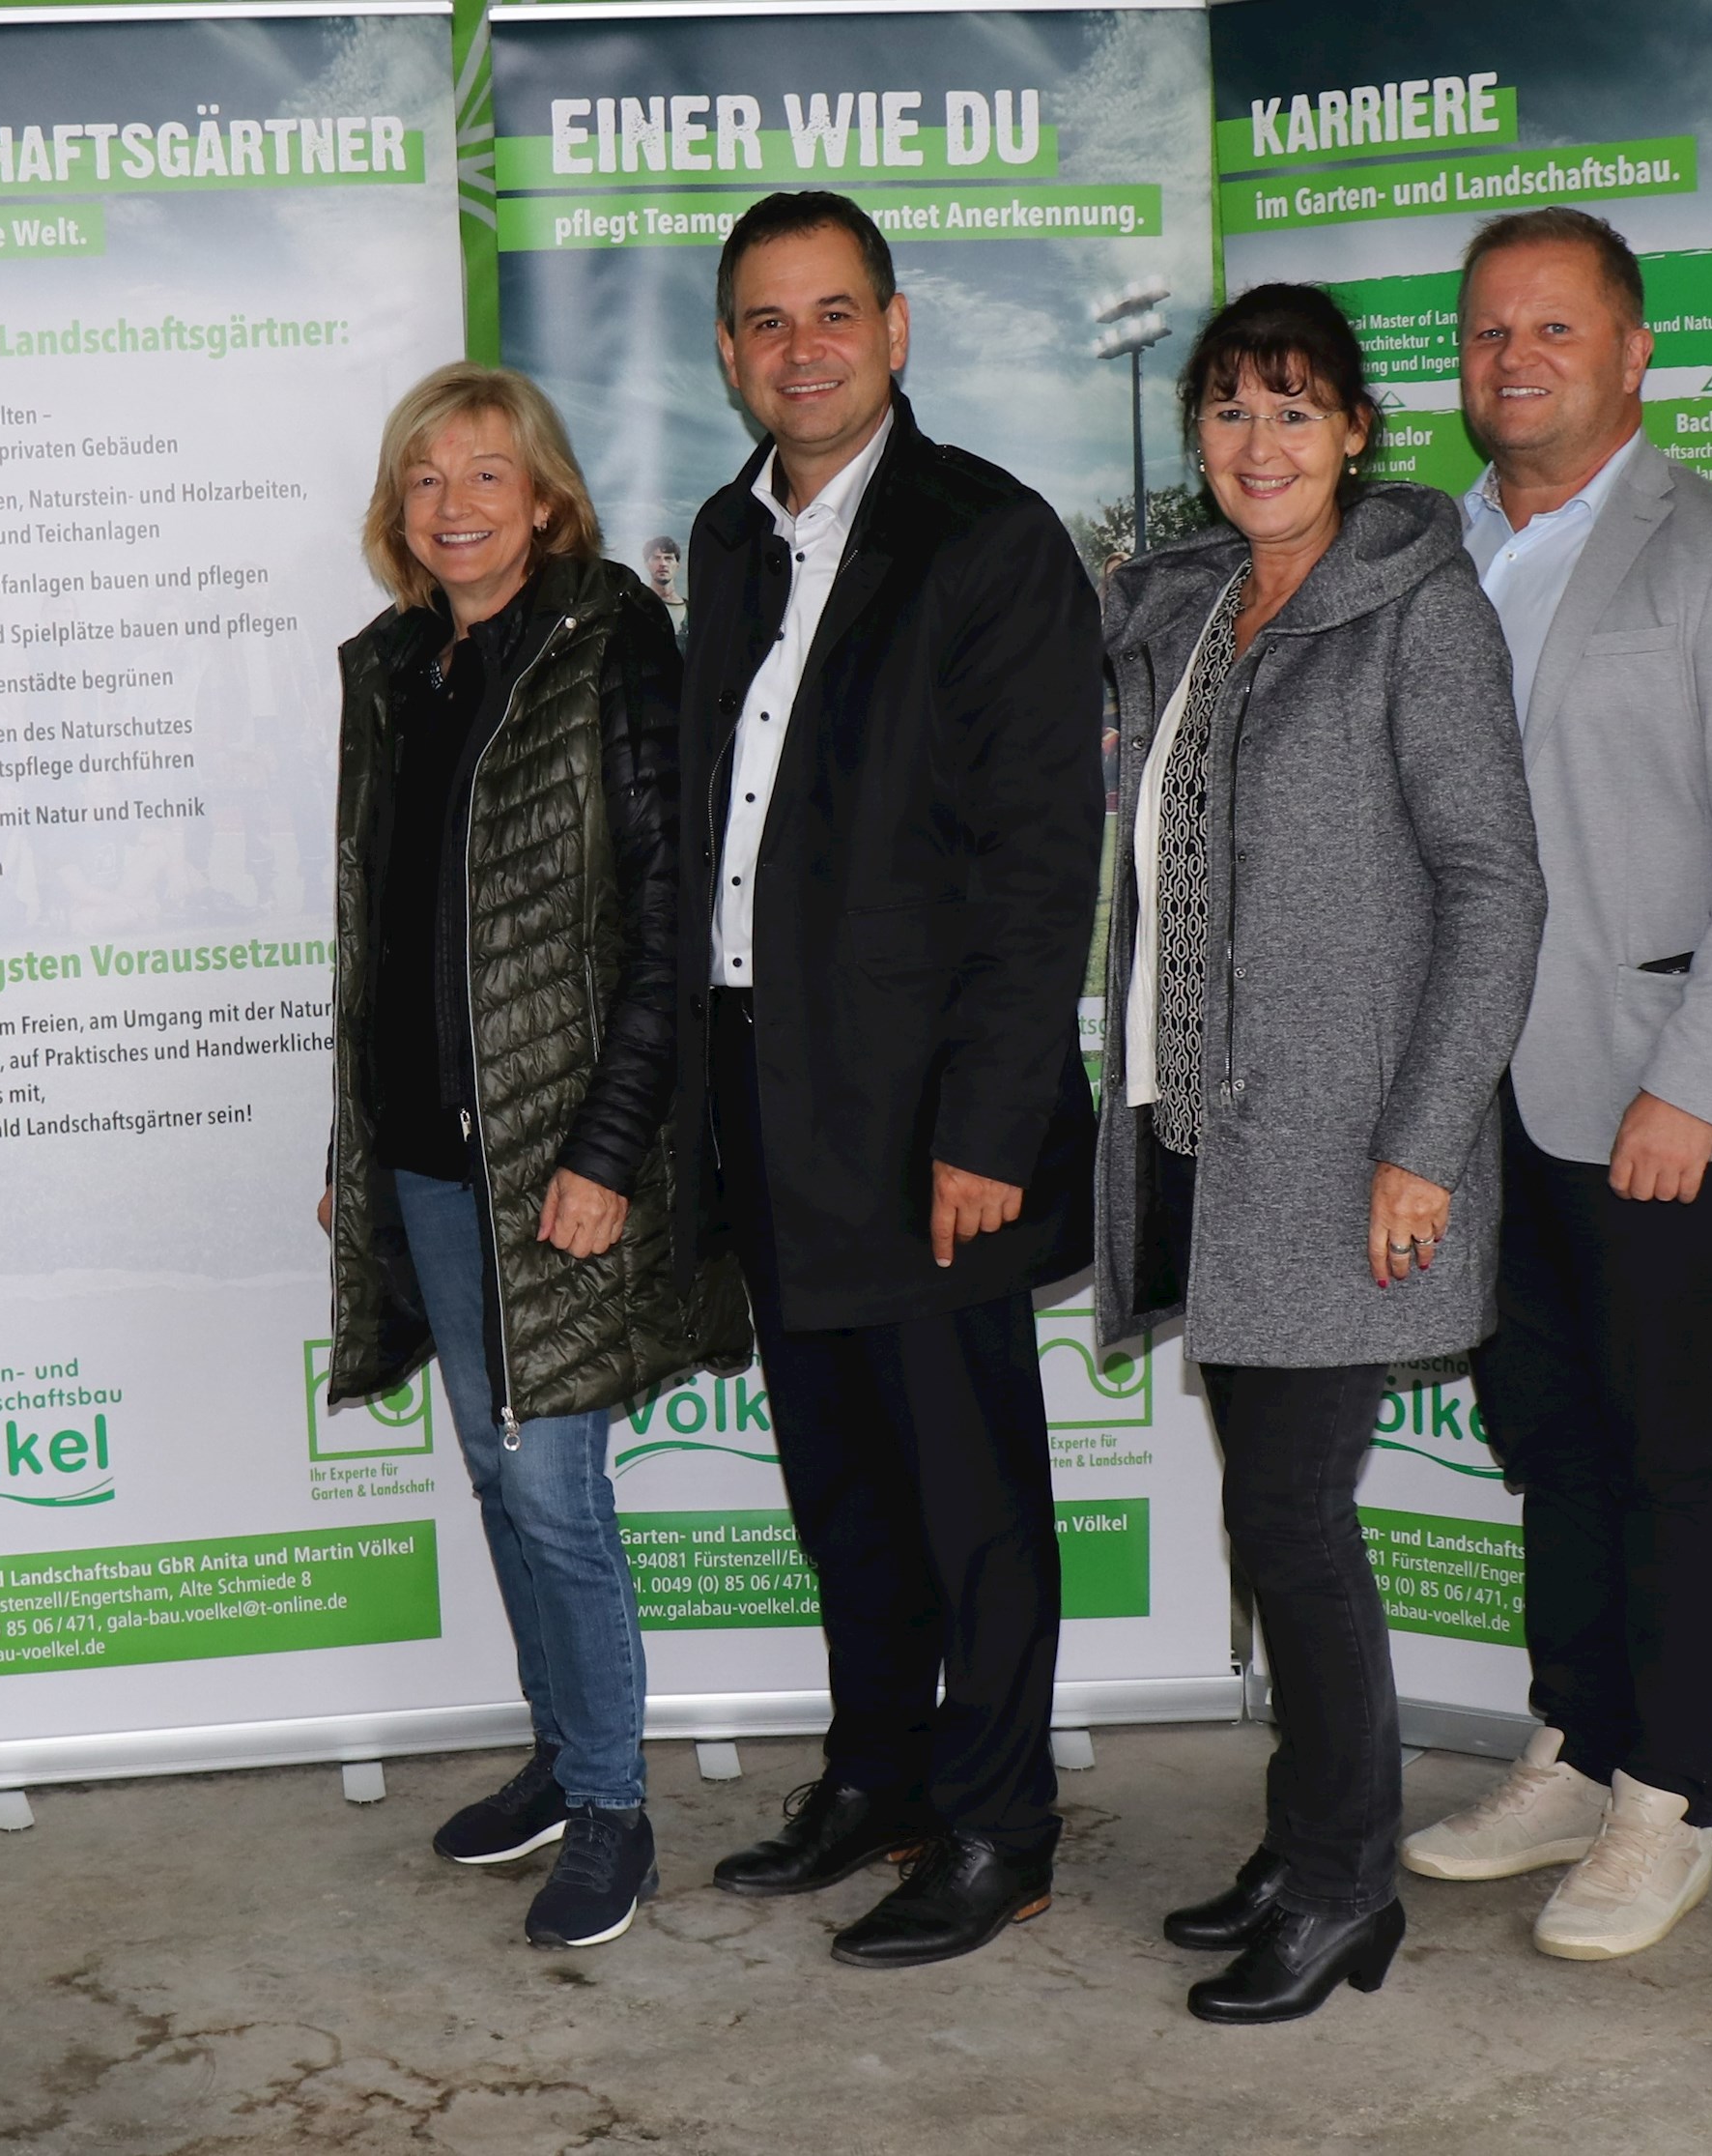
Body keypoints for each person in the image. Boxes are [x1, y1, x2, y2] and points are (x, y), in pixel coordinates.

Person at [1396, 207, 1712, 1962]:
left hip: (1656, 1085)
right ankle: (1575, 1749)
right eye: (1489, 332)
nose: (1516, 359)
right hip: (1477, 1092)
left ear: (1636, 351)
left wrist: (1698, 1084)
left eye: (1555, 330)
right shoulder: (1427, 550)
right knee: (1551, 1440)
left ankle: (1667, 1799)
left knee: (1669, 1444)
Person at [1093, 284, 1542, 2024]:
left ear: (1358, 428)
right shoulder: (1192, 607)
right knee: (1270, 1511)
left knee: (1295, 1515)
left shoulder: (1418, 613)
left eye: (1294, 409)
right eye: (1226, 410)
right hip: (1202, 1121)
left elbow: (1497, 889)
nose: (1257, 444)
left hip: (1349, 1148)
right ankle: (1303, 1845)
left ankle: (1349, 1883)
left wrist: (1424, 1143)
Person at [675, 192, 1104, 1969]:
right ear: (729, 351)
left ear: (897, 330)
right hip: (771, 1103)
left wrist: (991, 1126)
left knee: (971, 1490)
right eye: (768, 321)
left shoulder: (986, 538)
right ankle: (881, 1771)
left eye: (834, 313)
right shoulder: (721, 534)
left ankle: (1003, 1824)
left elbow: (1036, 860)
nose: (803, 349)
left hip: (934, 1125)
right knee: (839, 1478)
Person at [317, 363, 748, 1950]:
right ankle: (565, 1763)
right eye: (425, 479)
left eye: (485, 476)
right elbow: (380, 932)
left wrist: (610, 1144)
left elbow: (664, 924)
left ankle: (619, 1811)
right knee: (499, 1478)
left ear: (545, 497)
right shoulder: (391, 669)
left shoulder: (610, 643)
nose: (454, 506)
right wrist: (361, 1143)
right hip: (431, 1157)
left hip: (562, 1153)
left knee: (558, 1491)